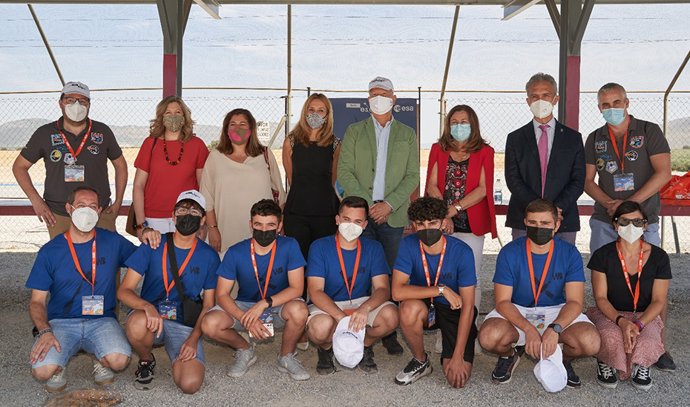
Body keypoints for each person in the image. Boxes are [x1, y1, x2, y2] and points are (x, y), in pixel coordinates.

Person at [583, 83, 674, 371]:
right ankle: (607, 345)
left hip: (642, 220)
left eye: (616, 102)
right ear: (599, 108)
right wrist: (610, 203)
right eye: (605, 104)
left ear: (627, 102)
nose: (611, 108)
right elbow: (587, 181)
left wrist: (629, 206)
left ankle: (659, 346)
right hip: (605, 220)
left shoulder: (649, 132)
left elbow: (664, 173)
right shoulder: (595, 138)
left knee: (653, 284)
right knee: (604, 283)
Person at [26, 186, 140, 392]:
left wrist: (151, 234)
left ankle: (100, 358)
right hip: (61, 322)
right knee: (42, 371)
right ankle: (57, 365)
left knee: (120, 360)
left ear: (99, 211)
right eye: (80, 205)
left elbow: (144, 260)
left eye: (92, 206)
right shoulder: (50, 251)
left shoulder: (113, 241)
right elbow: (37, 301)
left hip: (102, 320)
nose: (86, 211)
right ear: (69, 208)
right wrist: (44, 331)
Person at [478, 199, 600, 388]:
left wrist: (554, 329)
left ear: (556, 225)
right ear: (525, 222)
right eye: (533, 223)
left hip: (556, 310)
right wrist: (528, 329)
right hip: (519, 309)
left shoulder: (570, 253)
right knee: (488, 337)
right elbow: (502, 302)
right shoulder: (509, 252)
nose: (538, 228)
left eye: (545, 223)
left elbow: (575, 302)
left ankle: (562, 358)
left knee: (590, 342)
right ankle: (509, 355)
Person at [337, 76, 419, 355]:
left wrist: (390, 205)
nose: (378, 97)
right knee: (362, 273)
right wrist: (370, 205)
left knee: (394, 275)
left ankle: (388, 330)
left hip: (393, 217)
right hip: (363, 216)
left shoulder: (407, 134)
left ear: (394, 98)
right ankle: (361, 328)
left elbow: (412, 176)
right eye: (373, 93)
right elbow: (344, 172)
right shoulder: (354, 131)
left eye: (383, 93)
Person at [118, 190, 220, 394]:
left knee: (190, 384)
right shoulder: (152, 244)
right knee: (137, 324)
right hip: (151, 318)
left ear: (202, 221)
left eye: (194, 212)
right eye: (182, 210)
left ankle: (179, 348)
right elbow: (124, 291)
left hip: (183, 323)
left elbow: (208, 304)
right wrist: (146, 306)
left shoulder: (209, 256)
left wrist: (194, 338)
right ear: (173, 217)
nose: (187, 215)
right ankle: (146, 359)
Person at [202, 199, 310, 381]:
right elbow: (221, 294)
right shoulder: (235, 252)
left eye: (270, 225)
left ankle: (286, 356)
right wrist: (245, 318)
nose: (264, 230)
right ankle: (245, 350)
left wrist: (264, 303)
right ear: (250, 225)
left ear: (279, 225)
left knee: (300, 310)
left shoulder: (290, 245)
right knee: (209, 324)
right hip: (245, 305)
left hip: (278, 304)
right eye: (258, 224)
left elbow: (297, 288)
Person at [13, 81, 127, 239]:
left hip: (99, 213)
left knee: (102, 259)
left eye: (82, 101)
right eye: (70, 100)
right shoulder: (45, 133)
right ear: (60, 103)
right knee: (64, 260)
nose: (77, 105)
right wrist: (36, 200)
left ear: (89, 105)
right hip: (59, 214)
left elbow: (121, 166)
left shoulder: (102, 131)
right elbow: (19, 167)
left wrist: (119, 201)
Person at [306, 196, 398, 375]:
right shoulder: (319, 246)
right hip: (328, 303)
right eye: (346, 220)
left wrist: (365, 308)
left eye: (357, 221)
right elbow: (315, 291)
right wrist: (340, 317)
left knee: (391, 316)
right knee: (319, 328)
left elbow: (382, 289)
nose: (351, 225)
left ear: (364, 225)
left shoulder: (374, 247)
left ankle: (363, 345)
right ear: (337, 220)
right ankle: (326, 349)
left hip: (361, 302)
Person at [391, 197, 478, 388]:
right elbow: (397, 292)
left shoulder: (462, 252)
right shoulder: (408, 244)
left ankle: (453, 351)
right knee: (407, 309)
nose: (427, 228)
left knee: (456, 379)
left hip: (454, 309)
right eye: (420, 224)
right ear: (413, 225)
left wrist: (457, 356)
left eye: (432, 223)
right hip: (425, 303)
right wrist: (441, 290)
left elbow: (469, 307)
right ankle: (421, 361)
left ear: (443, 223)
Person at [586, 201, 671, 390]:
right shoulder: (602, 255)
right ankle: (605, 361)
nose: (631, 227)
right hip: (611, 314)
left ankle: (642, 364)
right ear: (615, 225)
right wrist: (621, 322)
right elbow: (600, 298)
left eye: (637, 222)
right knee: (609, 337)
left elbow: (658, 300)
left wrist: (638, 324)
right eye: (624, 222)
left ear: (645, 225)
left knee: (648, 340)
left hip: (644, 315)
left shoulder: (660, 257)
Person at [425, 104, 497, 311]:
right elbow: (431, 185)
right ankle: (445, 322)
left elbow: (483, 189)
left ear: (473, 124)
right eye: (454, 122)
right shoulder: (438, 149)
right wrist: (442, 215)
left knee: (471, 277)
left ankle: (469, 323)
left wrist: (452, 210)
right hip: (441, 223)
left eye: (464, 122)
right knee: (441, 274)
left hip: (471, 225)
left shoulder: (485, 151)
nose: (459, 126)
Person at [504, 73, 585, 245]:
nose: (540, 100)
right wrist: (537, 211)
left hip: (563, 219)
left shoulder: (573, 138)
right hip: (524, 218)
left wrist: (556, 210)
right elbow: (512, 179)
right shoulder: (515, 138)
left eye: (546, 95)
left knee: (561, 268)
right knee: (524, 268)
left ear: (556, 99)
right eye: (535, 96)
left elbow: (578, 180)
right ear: (528, 101)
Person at [200, 108, 286, 254]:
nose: (237, 128)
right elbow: (207, 198)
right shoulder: (215, 157)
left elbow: (280, 195)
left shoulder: (265, 154)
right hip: (225, 233)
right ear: (226, 130)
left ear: (251, 129)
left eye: (243, 124)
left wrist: (278, 226)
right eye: (232, 124)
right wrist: (212, 229)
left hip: (262, 233)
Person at [132, 96, 209, 237]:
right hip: (153, 218)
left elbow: (203, 186)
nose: (173, 116)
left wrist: (203, 222)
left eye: (178, 112)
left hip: (187, 216)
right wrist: (141, 224)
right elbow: (138, 185)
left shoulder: (197, 145)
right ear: (161, 117)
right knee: (157, 258)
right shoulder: (150, 144)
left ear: (185, 117)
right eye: (168, 113)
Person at [282, 93, 341, 261]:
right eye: (311, 109)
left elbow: (333, 180)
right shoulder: (291, 141)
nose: (315, 114)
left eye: (321, 110)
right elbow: (292, 178)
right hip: (297, 212)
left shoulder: (335, 144)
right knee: (299, 263)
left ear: (327, 115)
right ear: (305, 112)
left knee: (322, 262)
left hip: (326, 213)